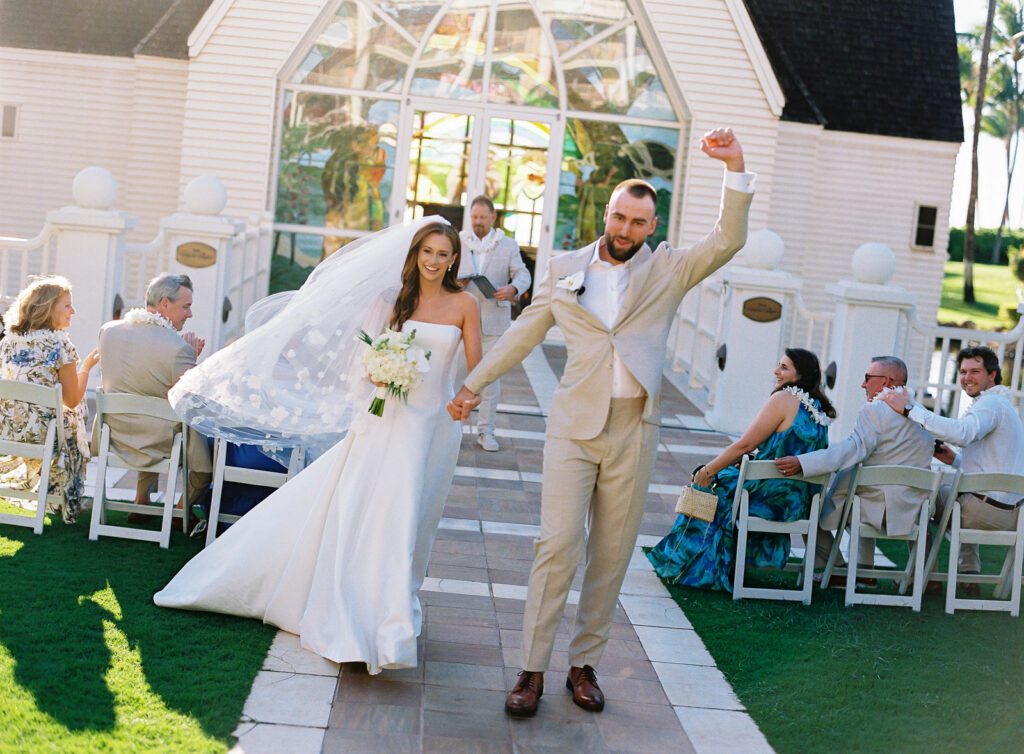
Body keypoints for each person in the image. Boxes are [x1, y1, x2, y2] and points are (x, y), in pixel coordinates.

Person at [450, 128, 754, 716]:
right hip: (572, 426)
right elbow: (523, 334)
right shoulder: (563, 267)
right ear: (606, 214)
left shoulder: (669, 269)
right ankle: (531, 669)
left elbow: (729, 238)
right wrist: (473, 384)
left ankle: (583, 665)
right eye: (619, 217)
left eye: (638, 223)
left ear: (651, 226)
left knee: (611, 555)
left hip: (633, 428)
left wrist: (734, 166)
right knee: (557, 545)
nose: (625, 230)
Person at [154, 218, 482, 673]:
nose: (434, 261)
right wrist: (378, 371)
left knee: (415, 517)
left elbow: (477, 369)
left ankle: (392, 606)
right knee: (383, 512)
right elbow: (363, 362)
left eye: (443, 254)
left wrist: (468, 397)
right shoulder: (391, 301)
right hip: (387, 421)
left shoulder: (466, 304)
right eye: (427, 251)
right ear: (415, 254)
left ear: (454, 259)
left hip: (436, 427)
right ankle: (379, 623)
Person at [647, 348, 834, 591]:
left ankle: (691, 565)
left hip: (769, 498)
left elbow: (745, 445)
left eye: (784, 367)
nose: (776, 371)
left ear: (801, 374)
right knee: (729, 476)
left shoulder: (784, 398)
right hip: (798, 502)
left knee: (715, 484)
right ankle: (732, 563)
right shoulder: (817, 408)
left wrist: (706, 471)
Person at [775, 356, 934, 586]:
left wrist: (803, 462)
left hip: (880, 510)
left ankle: (839, 568)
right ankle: (865, 570)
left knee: (810, 506)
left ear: (886, 381)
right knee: (859, 492)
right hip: (915, 509)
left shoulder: (875, 410)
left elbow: (851, 450)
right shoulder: (921, 412)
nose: (862, 384)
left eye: (868, 378)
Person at [879, 345, 1024, 596]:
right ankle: (969, 573)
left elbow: (963, 433)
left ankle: (924, 575)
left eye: (975, 371)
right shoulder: (1004, 406)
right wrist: (955, 460)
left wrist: (910, 409)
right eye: (963, 371)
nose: (967, 377)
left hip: (983, 510)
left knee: (920, 494)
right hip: (1012, 513)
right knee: (957, 491)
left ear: (992, 375)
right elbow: (995, 464)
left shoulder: (991, 404)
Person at [96, 273, 213, 511]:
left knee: (148, 405)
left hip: (113, 434)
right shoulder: (178, 347)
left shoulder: (107, 331)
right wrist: (191, 357)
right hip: (157, 441)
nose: (190, 314)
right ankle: (181, 511)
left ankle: (142, 498)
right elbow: (190, 396)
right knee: (205, 456)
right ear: (164, 304)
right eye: (186, 307)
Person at [0, 276, 99, 522]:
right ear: (48, 308)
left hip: (9, 429)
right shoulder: (59, 343)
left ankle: (54, 493)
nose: (73, 311)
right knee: (75, 412)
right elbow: (72, 399)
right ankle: (63, 496)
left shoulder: (9, 340)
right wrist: (86, 368)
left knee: (66, 414)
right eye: (67, 305)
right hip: (44, 433)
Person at [457, 195, 532, 451]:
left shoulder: (508, 244)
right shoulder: (459, 241)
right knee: (456, 376)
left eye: (482, 217)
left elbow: (523, 273)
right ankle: (453, 428)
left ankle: (486, 431)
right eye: (474, 217)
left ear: (493, 218)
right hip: (461, 320)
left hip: (494, 322)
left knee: (489, 379)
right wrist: (456, 283)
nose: (478, 222)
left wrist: (513, 288)